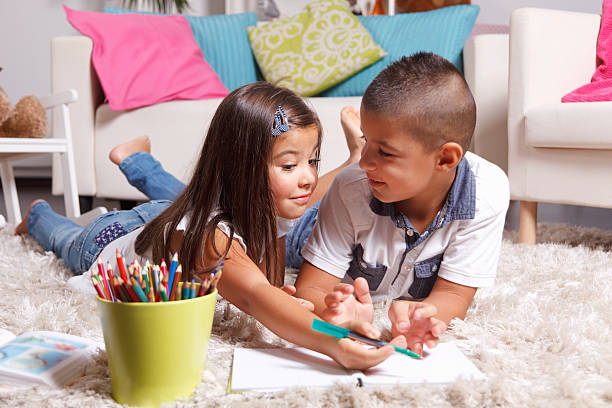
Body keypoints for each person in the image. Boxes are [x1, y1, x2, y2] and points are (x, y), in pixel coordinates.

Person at [15, 82, 404, 370]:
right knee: (63, 238)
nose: (306, 178)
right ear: (242, 168)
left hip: (165, 223)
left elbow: (263, 286)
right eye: (289, 165)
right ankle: (37, 213)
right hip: (110, 239)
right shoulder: (211, 239)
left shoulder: (272, 209)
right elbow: (253, 297)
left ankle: (135, 164)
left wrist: (297, 304)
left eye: (312, 162)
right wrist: (333, 343)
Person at [293, 52, 511, 356]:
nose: (369, 163)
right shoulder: (353, 186)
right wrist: (336, 312)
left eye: (384, 152)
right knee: (291, 213)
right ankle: (351, 156)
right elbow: (312, 288)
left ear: (445, 159)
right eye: (368, 141)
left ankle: (355, 149)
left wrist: (421, 317)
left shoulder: (486, 191)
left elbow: (452, 294)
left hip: (364, 196)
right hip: (313, 222)